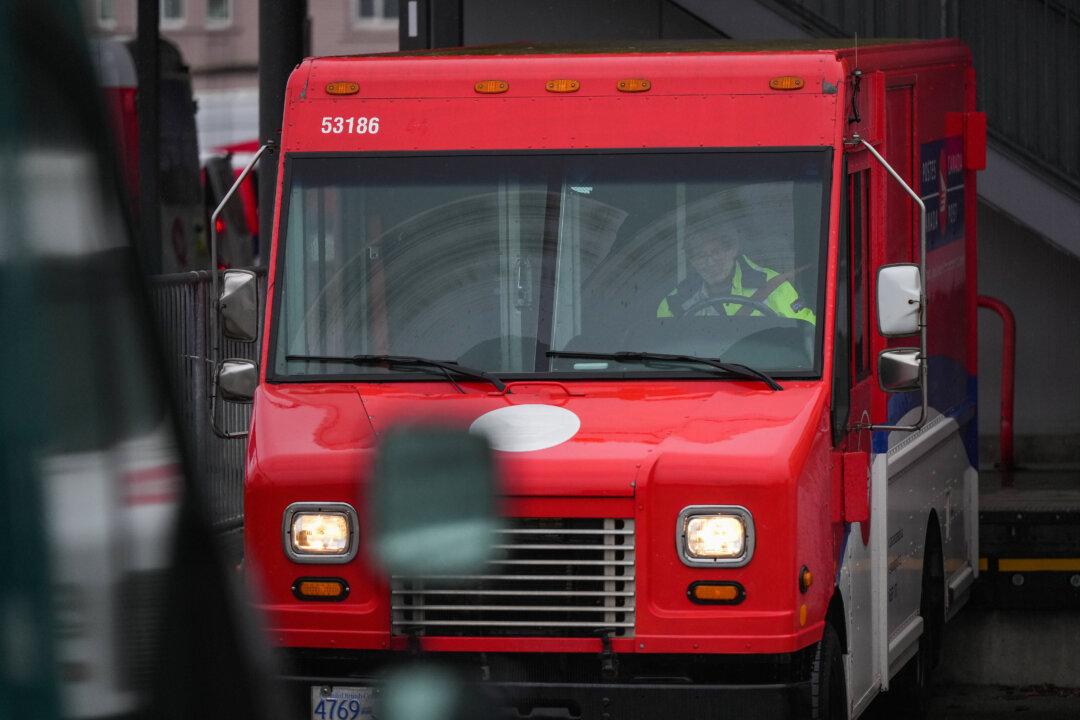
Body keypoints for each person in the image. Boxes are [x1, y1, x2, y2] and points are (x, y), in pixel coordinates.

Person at [657, 231, 816, 323]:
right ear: (692, 261)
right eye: (700, 256)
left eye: (716, 252)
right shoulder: (676, 302)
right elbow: (661, 344)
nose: (710, 262)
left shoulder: (772, 285)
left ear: (732, 250)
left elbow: (805, 331)